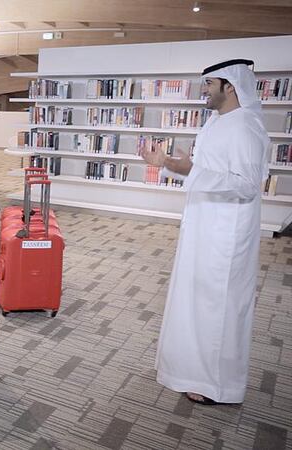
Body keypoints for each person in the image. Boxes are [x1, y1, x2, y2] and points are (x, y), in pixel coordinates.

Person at [141, 59, 270, 406]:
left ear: (230, 86)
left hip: (225, 235)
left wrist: (184, 167)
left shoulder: (246, 127)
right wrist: (172, 165)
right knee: (198, 303)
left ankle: (218, 386)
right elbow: (205, 173)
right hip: (204, 226)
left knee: (219, 308)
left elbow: (245, 186)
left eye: (210, 84)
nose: (205, 90)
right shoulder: (217, 122)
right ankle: (192, 372)